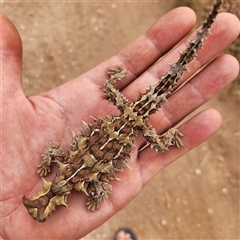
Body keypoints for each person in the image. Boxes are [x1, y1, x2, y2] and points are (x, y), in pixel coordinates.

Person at [1, 6, 239, 239]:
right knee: (160, 97)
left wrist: (95, 197)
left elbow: (101, 188)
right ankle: (206, 25)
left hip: (126, 120)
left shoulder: (85, 181)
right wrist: (47, 165)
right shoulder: (65, 165)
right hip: (126, 116)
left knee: (169, 90)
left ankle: (206, 27)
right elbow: (53, 151)